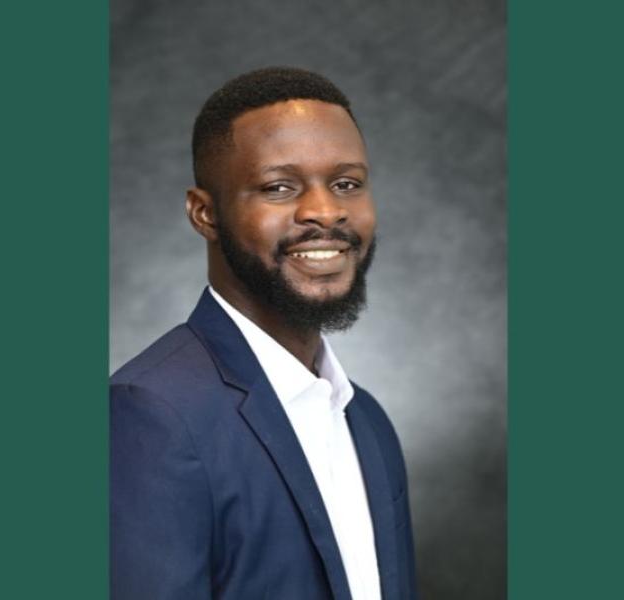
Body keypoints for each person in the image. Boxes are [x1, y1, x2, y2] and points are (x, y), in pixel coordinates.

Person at [110, 67, 417, 600]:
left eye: (346, 183)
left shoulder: (365, 419)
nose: (325, 211)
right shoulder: (152, 415)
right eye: (279, 187)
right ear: (205, 214)